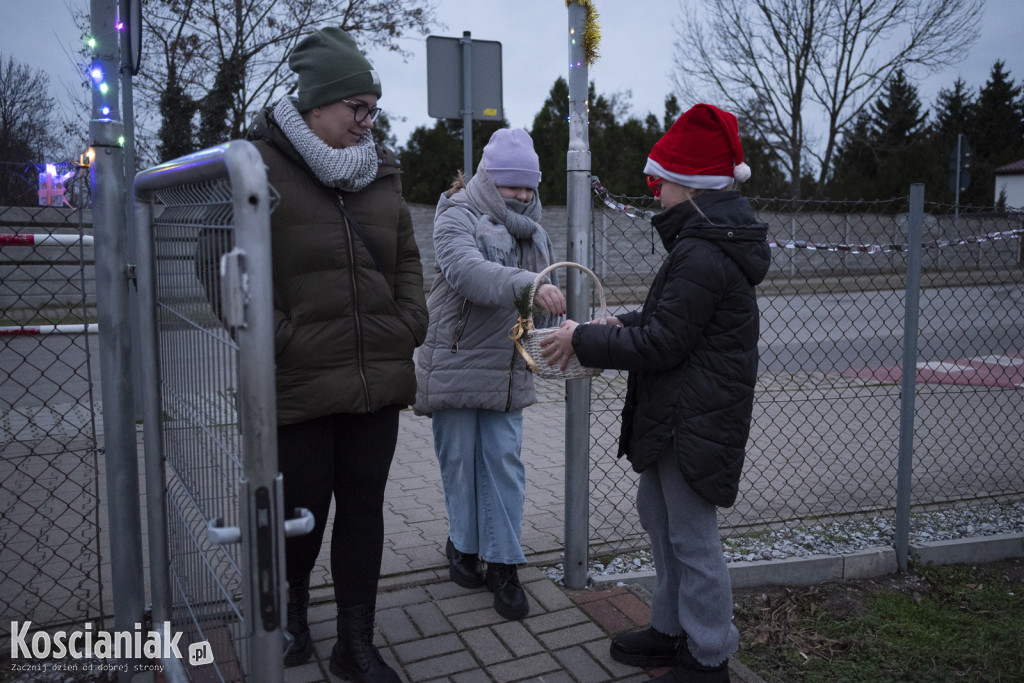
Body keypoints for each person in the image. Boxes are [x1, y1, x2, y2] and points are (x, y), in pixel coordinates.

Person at [541, 103, 770, 682]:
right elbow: (675, 318)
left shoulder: (703, 250)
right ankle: (671, 630)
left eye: (660, 181)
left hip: (693, 419)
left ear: (689, 186)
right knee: (659, 518)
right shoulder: (702, 241)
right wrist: (624, 320)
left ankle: (710, 654)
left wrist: (586, 339)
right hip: (677, 414)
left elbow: (666, 341)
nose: (654, 191)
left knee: (692, 538)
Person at [244, 27, 427, 682]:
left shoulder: (380, 171)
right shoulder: (256, 167)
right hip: (298, 376)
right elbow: (220, 264)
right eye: (358, 106)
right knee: (304, 508)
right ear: (316, 103)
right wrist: (278, 334)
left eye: (373, 107)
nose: (368, 120)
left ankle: (356, 639)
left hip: (377, 373)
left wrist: (409, 321)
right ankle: (293, 611)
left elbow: (406, 257)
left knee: (364, 505)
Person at [413, 128, 566, 620]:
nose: (523, 195)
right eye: (512, 185)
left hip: (506, 369)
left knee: (502, 464)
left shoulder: (535, 232)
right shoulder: (455, 213)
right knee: (458, 461)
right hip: (456, 362)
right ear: (487, 177)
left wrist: (564, 322)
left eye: (529, 186)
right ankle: (462, 545)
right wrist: (529, 286)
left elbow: (545, 306)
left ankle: (503, 563)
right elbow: (466, 271)